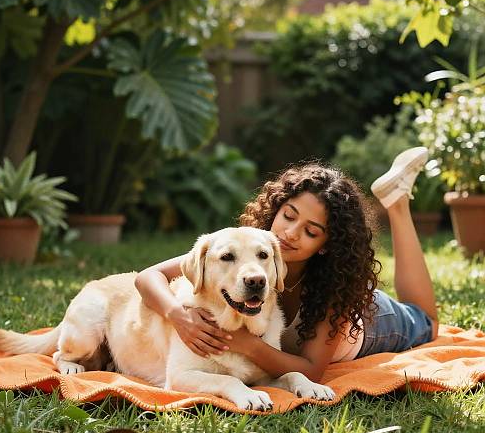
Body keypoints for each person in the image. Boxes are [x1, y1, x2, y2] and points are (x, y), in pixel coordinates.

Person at [135, 147, 438, 383]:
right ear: (276, 207)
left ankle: (397, 204)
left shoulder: (335, 292)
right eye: (289, 216)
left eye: (311, 231)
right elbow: (149, 277)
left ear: (326, 245)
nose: (291, 234)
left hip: (372, 324)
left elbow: (310, 371)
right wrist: (178, 316)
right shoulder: (251, 249)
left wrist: (244, 344)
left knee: (427, 322)